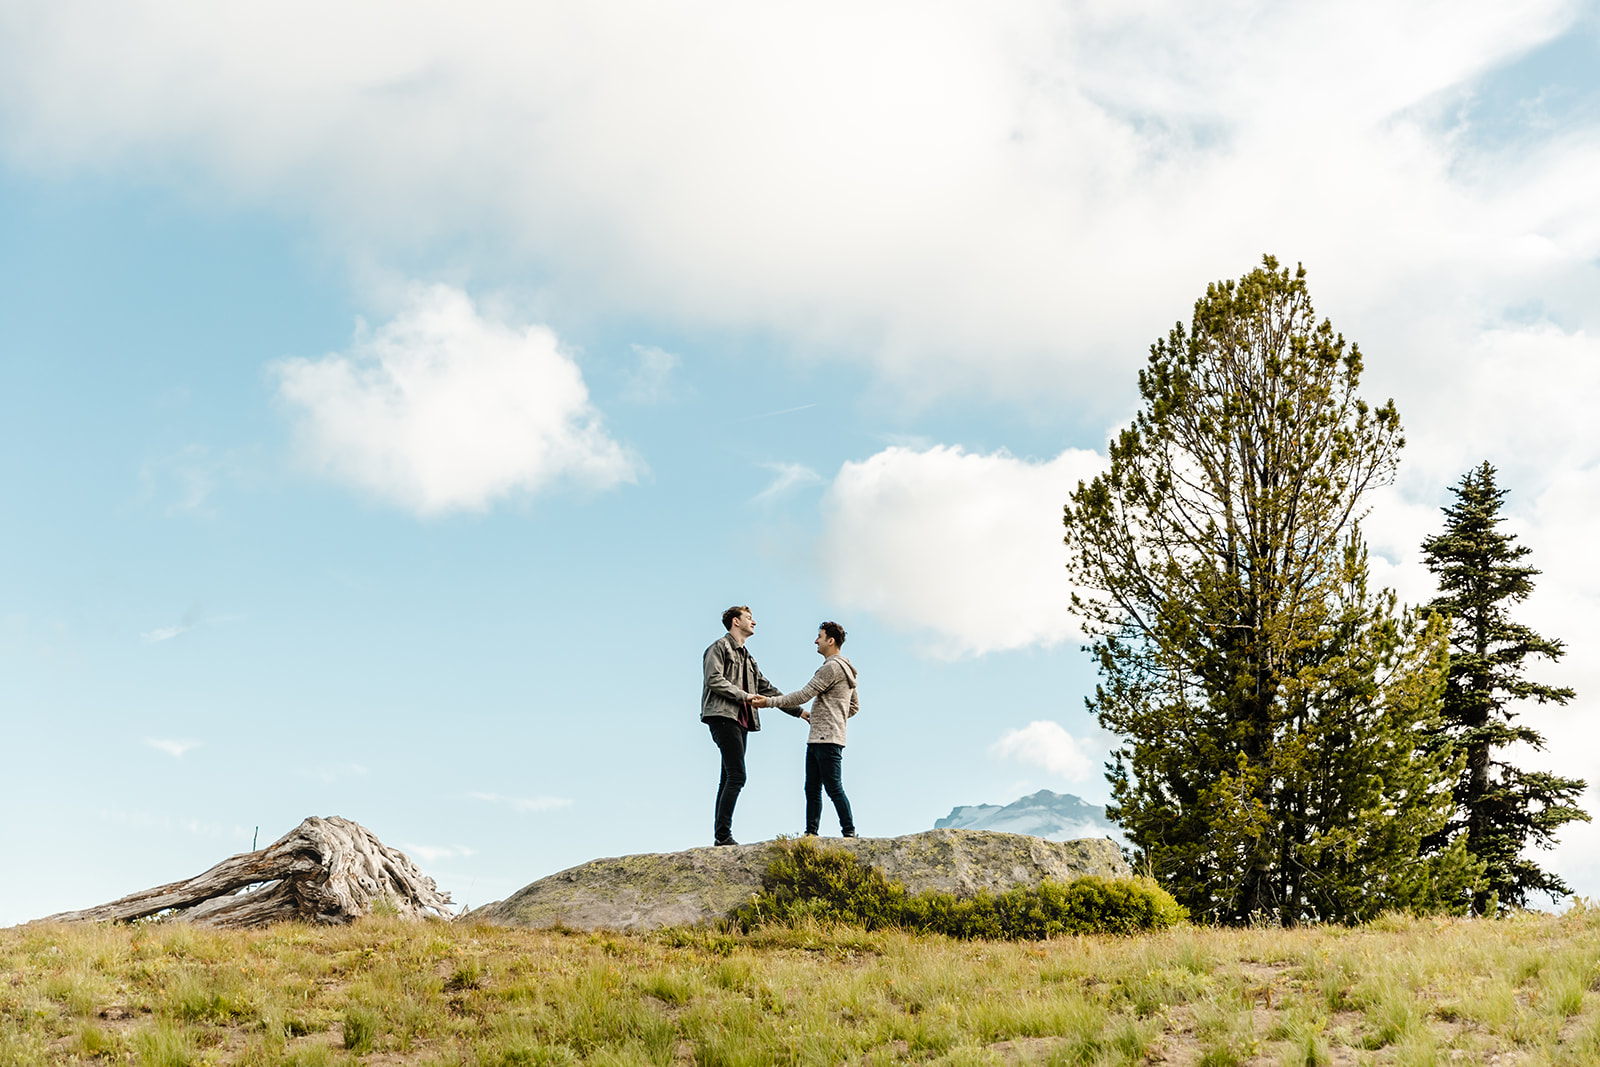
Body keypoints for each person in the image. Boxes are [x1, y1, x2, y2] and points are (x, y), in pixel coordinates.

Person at [753, 621, 858, 838]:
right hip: (823, 737)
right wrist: (833, 716)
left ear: (831, 640)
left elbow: (803, 695)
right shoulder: (849, 671)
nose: (816, 641)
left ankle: (849, 833)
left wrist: (768, 702)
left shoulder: (831, 667)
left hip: (825, 737)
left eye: (819, 636)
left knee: (832, 787)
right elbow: (854, 706)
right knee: (812, 788)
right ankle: (811, 834)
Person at [702, 605, 782, 846]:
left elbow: (767, 689)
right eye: (749, 618)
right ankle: (723, 835)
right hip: (722, 716)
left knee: (728, 776)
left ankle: (721, 835)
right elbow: (714, 679)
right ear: (735, 622)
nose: (754, 622)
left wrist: (798, 711)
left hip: (740, 720)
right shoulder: (719, 647)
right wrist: (744, 696)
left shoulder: (748, 659)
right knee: (737, 775)